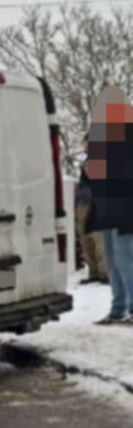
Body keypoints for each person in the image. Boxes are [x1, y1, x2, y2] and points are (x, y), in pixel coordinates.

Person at [85, 87, 133, 325]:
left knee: (127, 261)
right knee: (113, 263)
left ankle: (131, 309)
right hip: (107, 210)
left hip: (126, 211)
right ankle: (118, 308)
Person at [75, 168, 108, 284]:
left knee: (99, 241)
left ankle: (104, 273)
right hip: (84, 203)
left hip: (96, 205)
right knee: (86, 241)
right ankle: (93, 272)